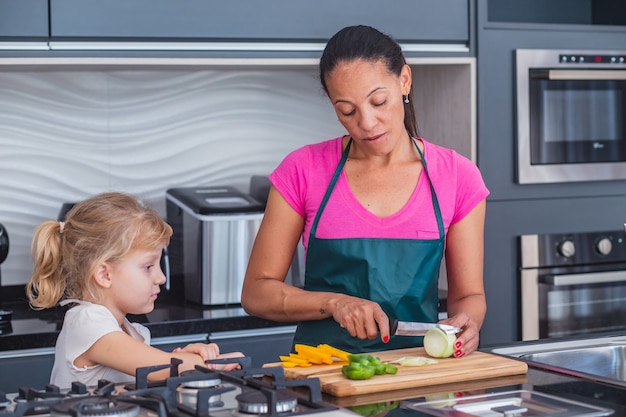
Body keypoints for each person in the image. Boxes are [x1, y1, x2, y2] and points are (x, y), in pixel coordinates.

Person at [241, 25, 489, 356]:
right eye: (347, 110)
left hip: (418, 373)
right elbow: (256, 293)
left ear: (404, 81)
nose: (367, 123)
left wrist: (467, 324)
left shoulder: (458, 176)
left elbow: (469, 297)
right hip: (321, 377)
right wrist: (335, 303)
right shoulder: (303, 170)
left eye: (379, 101)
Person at [26, 192, 242, 388]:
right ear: (104, 275)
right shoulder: (87, 321)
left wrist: (184, 358)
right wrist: (208, 364)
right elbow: (157, 368)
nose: (161, 277)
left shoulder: (127, 330)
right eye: (148, 267)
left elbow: (159, 366)